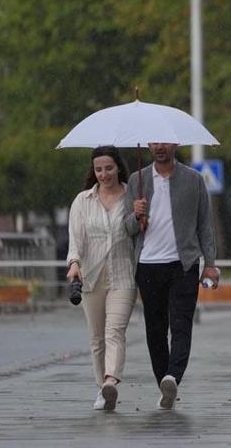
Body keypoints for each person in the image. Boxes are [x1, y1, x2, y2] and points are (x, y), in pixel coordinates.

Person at [124, 142, 218, 410]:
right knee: (155, 329)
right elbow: (126, 227)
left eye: (164, 142)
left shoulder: (194, 180)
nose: (159, 147)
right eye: (154, 142)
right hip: (148, 265)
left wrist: (210, 263)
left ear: (175, 144)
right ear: (149, 145)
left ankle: (172, 376)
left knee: (181, 325)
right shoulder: (137, 180)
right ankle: (163, 384)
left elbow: (205, 225)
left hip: (183, 264)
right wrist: (136, 215)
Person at [66, 146, 137, 411]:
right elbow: (75, 240)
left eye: (109, 168)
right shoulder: (82, 201)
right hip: (91, 277)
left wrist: (140, 214)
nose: (104, 174)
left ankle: (111, 381)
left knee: (114, 332)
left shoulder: (132, 196)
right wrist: (74, 263)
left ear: (118, 167)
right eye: (98, 169)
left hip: (123, 276)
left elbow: (139, 232)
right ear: (93, 171)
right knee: (97, 339)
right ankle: (102, 389)